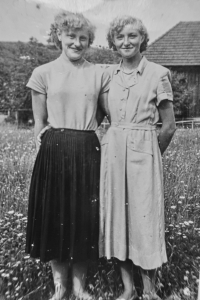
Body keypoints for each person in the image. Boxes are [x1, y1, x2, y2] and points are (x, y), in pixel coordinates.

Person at [25, 11, 110, 300]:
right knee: (56, 215)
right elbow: (39, 122)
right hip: (55, 149)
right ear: (59, 36)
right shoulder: (42, 73)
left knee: (84, 217)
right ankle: (60, 286)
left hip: (87, 147)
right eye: (71, 36)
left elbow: (103, 112)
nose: (76, 43)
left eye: (82, 38)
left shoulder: (99, 73)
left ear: (89, 42)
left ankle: (80, 286)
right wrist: (49, 142)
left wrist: (84, 131)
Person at [99, 16, 176, 300]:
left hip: (145, 153)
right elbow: (94, 116)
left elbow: (169, 126)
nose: (126, 42)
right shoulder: (108, 75)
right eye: (120, 38)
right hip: (114, 153)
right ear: (113, 43)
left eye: (132, 36)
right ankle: (128, 289)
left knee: (145, 220)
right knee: (119, 218)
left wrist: (152, 154)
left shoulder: (158, 73)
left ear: (142, 38)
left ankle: (150, 290)